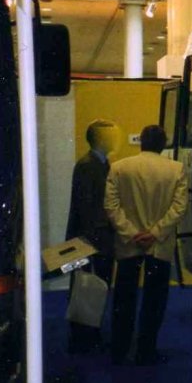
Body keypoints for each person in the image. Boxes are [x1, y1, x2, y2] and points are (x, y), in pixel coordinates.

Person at [104, 125, 187, 365]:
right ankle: (146, 349)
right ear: (163, 144)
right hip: (159, 246)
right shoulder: (176, 170)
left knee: (124, 297)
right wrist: (155, 233)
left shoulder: (119, 168)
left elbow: (111, 206)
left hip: (128, 244)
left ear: (141, 142)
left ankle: (119, 348)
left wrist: (131, 233)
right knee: (155, 299)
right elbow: (179, 208)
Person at [65, 118, 117, 354]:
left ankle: (87, 333)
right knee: (86, 286)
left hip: (94, 237)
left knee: (90, 287)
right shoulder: (90, 165)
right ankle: (84, 336)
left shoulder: (98, 163)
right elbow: (87, 207)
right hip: (92, 239)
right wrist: (91, 240)